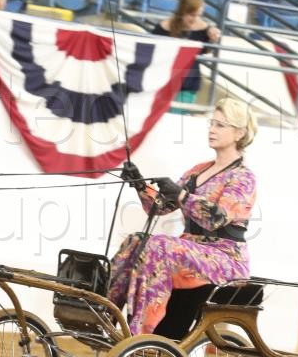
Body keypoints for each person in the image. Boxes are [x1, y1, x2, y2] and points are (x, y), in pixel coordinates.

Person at [109, 97, 258, 335]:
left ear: (239, 133)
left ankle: (142, 332)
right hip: (191, 249)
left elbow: (216, 218)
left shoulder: (242, 177)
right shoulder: (198, 170)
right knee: (135, 240)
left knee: (158, 245)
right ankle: (106, 316)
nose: (212, 129)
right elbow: (160, 207)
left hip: (225, 258)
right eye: (212, 123)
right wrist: (138, 183)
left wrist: (181, 195)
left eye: (220, 125)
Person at [152, 0, 220, 104]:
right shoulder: (163, 27)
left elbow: (206, 51)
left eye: (199, 15)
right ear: (183, 12)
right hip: (164, 81)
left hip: (188, 83)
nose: (196, 19)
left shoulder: (205, 29)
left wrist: (213, 40)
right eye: (192, 15)